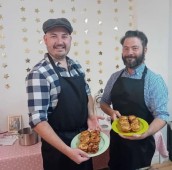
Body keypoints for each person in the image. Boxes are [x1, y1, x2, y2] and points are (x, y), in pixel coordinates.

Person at [26, 18, 101, 170]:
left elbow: (87, 94)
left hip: (82, 140)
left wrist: (91, 115)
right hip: (59, 151)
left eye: (64, 36)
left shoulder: (76, 66)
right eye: (54, 36)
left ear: (70, 40)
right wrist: (68, 151)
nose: (60, 41)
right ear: (45, 39)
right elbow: (38, 121)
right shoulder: (39, 73)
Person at [100, 30, 169, 170]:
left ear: (145, 50)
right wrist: (110, 111)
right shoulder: (114, 77)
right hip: (117, 143)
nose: (129, 52)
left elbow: (162, 116)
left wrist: (145, 133)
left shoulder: (154, 80)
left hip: (141, 147)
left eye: (135, 48)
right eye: (126, 48)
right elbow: (103, 102)